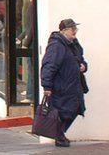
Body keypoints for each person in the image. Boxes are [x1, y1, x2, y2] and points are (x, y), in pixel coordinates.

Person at [40, 19, 88, 148]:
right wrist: (47, 86)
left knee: (76, 109)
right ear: (64, 31)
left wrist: (83, 66)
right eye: (72, 29)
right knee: (63, 112)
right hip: (62, 86)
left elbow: (80, 59)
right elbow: (49, 66)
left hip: (73, 85)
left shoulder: (73, 44)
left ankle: (60, 134)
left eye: (75, 29)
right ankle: (59, 136)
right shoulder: (56, 45)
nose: (75, 31)